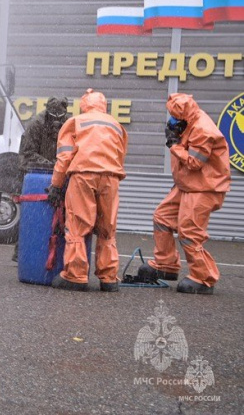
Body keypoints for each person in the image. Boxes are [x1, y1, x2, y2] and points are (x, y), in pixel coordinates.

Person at [137, 94, 231, 295]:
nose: (172, 121)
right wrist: (178, 137)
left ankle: (204, 278)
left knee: (189, 232)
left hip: (204, 188)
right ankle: (166, 264)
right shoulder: (189, 122)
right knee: (162, 217)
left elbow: (195, 163)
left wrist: (175, 145)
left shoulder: (203, 130)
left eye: (176, 118)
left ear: (185, 116)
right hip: (188, 185)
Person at [47, 89, 128, 292]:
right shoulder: (116, 125)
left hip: (83, 175)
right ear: (104, 105)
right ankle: (109, 278)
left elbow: (65, 157)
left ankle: (75, 276)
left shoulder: (76, 122)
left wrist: (56, 185)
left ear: (84, 105)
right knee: (107, 229)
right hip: (111, 177)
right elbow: (121, 154)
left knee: (77, 226)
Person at [13, 97, 70, 261]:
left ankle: (56, 254)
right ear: (47, 113)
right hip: (36, 173)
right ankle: (22, 251)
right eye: (53, 118)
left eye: (60, 119)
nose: (57, 123)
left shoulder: (69, 125)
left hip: (59, 175)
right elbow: (27, 154)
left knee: (60, 217)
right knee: (33, 215)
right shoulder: (35, 125)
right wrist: (48, 165)